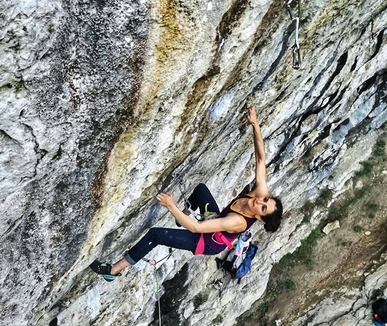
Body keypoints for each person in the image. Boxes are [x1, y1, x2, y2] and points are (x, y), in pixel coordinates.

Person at [90, 107, 283, 281]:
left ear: (258, 217)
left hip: (206, 241)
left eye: (263, 207)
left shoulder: (237, 222)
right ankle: (184, 215)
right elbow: (260, 160)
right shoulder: (258, 195)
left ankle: (113, 271)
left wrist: (171, 206)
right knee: (200, 190)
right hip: (214, 221)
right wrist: (255, 125)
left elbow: (197, 229)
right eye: (266, 199)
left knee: (156, 235)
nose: (260, 199)